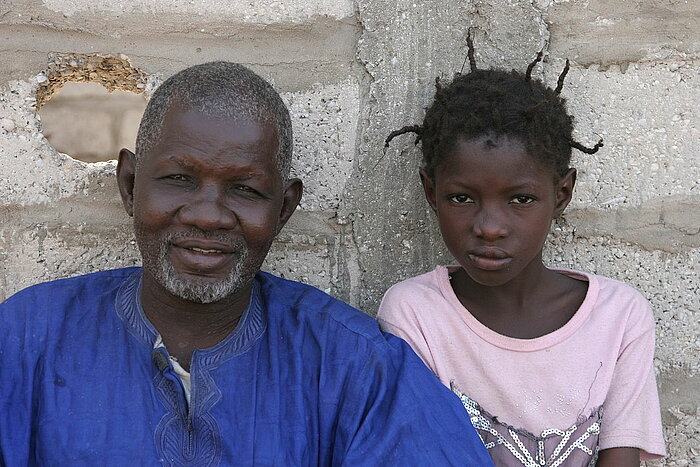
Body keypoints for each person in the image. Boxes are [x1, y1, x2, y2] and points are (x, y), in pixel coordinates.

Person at [0, 62, 493, 466]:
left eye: (246, 190)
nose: (207, 215)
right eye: (177, 178)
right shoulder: (28, 338)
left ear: (283, 209)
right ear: (130, 185)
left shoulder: (357, 368)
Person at [379, 38, 666, 467]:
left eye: (521, 200)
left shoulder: (619, 316)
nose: (490, 227)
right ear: (430, 192)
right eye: (461, 198)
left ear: (562, 193)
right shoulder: (415, 314)